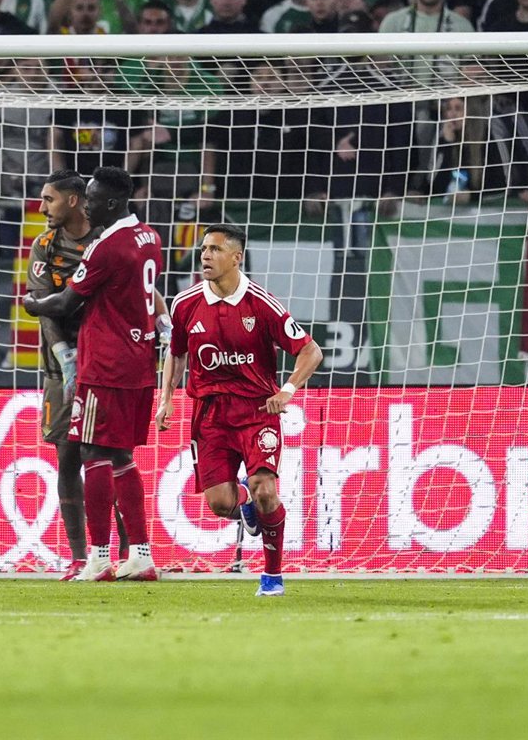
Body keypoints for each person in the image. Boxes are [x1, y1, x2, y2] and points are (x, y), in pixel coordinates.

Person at [155, 224, 324, 597]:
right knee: (220, 503)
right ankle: (244, 502)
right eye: (204, 249)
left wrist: (287, 390)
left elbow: (311, 351)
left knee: (266, 490)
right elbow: (177, 353)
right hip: (210, 414)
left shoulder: (261, 304)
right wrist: (166, 398)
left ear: (236, 257)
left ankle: (272, 577)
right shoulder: (185, 303)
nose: (205, 255)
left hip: (257, 410)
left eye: (215, 249)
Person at [23, 166, 168, 583]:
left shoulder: (106, 246)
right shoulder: (149, 237)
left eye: (92, 199)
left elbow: (64, 303)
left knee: (91, 453)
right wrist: (162, 324)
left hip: (103, 362)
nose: (87, 205)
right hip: (136, 360)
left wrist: (32, 305)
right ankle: (139, 555)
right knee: (118, 455)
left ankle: (100, 558)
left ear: (110, 202)